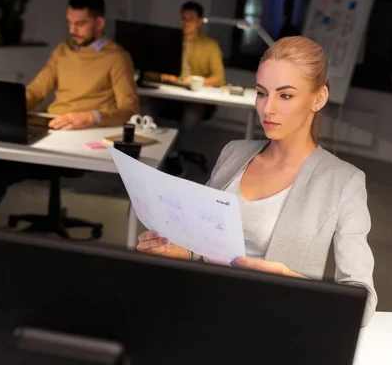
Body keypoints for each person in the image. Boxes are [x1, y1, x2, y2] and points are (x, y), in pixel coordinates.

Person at [136, 36, 377, 325]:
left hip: (272, 324)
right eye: (262, 93)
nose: (267, 108)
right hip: (202, 307)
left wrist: (289, 280)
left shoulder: (344, 181)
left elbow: (361, 302)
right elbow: (205, 249)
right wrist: (180, 252)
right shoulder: (233, 153)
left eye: (285, 95)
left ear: (319, 98)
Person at [0, 0, 138, 224]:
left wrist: (91, 116)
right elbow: (36, 91)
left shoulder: (117, 57)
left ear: (99, 22)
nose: (72, 30)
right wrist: (1, 108)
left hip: (76, 141)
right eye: (69, 23)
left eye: (80, 24)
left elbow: (129, 108)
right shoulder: (63, 51)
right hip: (49, 128)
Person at [149, 0, 225, 176]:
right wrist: (162, 76)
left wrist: (196, 81)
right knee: (146, 107)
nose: (186, 22)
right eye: (183, 18)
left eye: (191, 19)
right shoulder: (169, 40)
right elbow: (149, 70)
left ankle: (172, 153)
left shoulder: (209, 45)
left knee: (190, 115)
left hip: (193, 96)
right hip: (168, 92)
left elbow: (219, 78)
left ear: (200, 21)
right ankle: (158, 153)